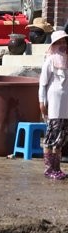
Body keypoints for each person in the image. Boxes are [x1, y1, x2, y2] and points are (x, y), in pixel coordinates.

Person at [39, 29, 68, 180]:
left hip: (65, 106)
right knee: (52, 137)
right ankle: (49, 168)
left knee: (61, 138)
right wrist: (42, 102)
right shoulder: (49, 61)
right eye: (59, 42)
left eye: (64, 42)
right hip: (54, 105)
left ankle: (57, 168)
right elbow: (42, 84)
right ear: (54, 44)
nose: (62, 45)